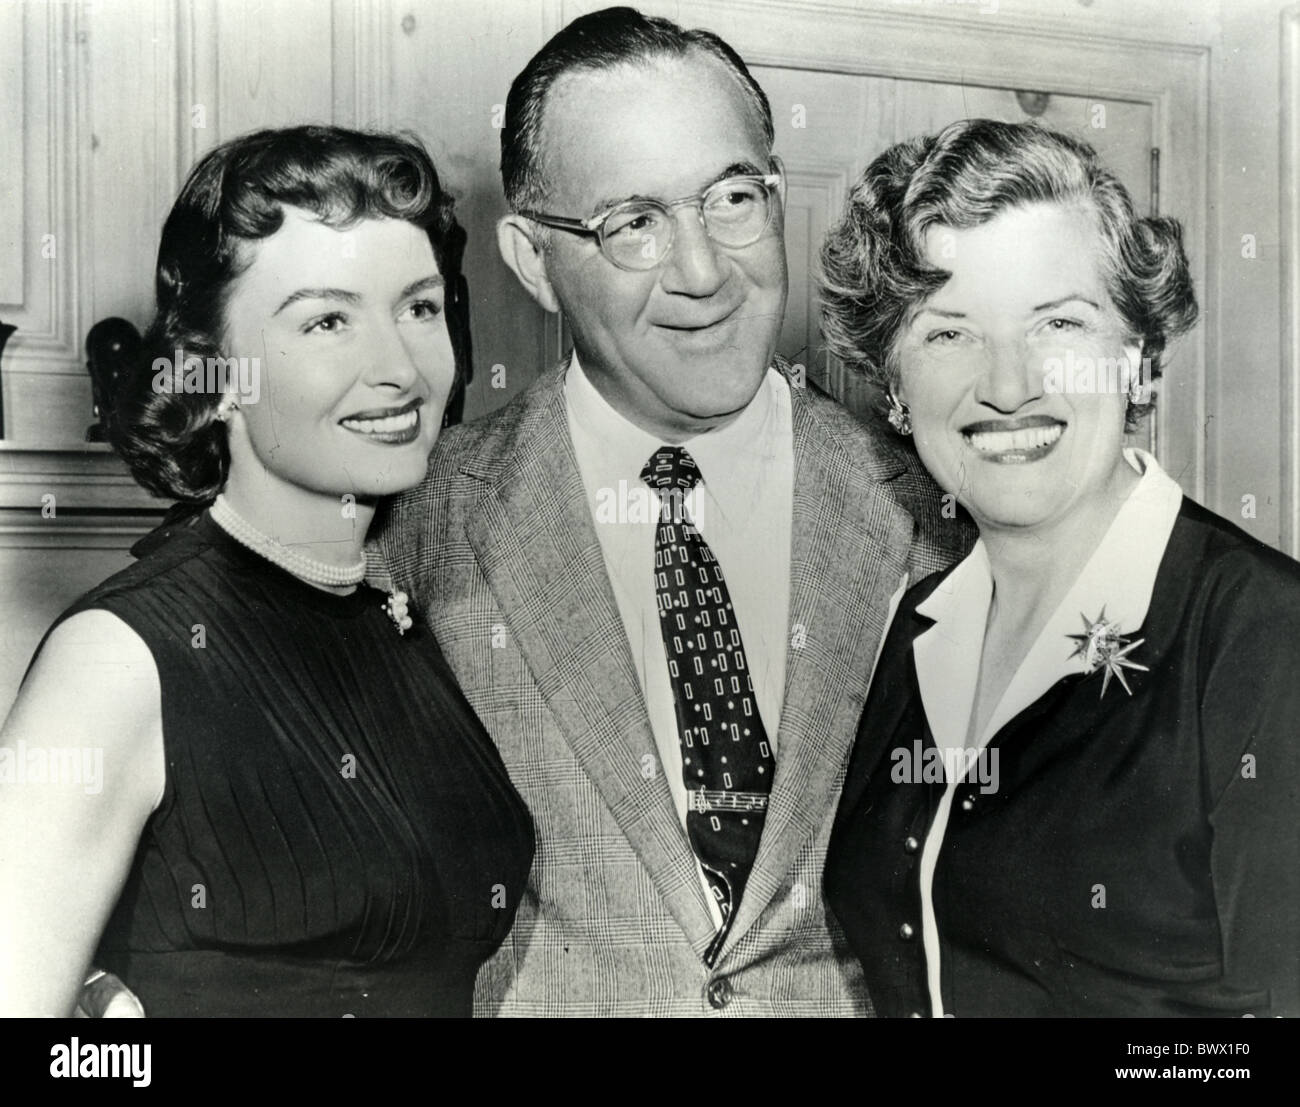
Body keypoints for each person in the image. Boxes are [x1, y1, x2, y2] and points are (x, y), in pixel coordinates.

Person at [371, 6, 970, 1016]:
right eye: (633, 223)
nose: (703, 274)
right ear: (530, 259)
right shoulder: (412, 523)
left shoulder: (937, 514)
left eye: (732, 197)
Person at [0, 125, 534, 1017]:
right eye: (327, 320)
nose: (399, 369)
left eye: (419, 308)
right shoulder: (115, 662)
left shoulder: (399, 615)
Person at [821, 118, 1300, 1017]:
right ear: (892, 384)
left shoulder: (1264, 640)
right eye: (949, 333)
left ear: (1142, 361)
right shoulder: (919, 622)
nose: (1009, 384)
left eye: (1059, 323)